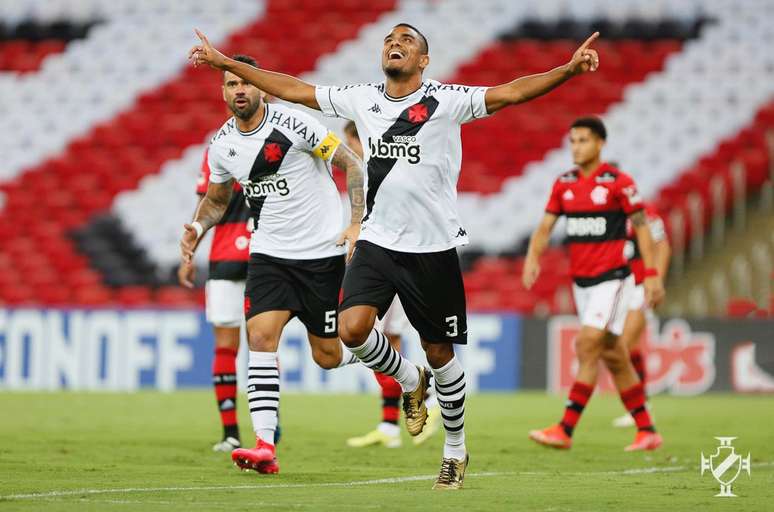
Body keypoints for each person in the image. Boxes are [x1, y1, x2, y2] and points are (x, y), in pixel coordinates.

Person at [189, 24, 600, 490]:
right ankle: (408, 379)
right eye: (388, 40)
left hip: (434, 246)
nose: (395, 44)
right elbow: (294, 88)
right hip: (378, 241)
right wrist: (225, 63)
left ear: (423, 60)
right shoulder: (362, 99)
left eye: (406, 40)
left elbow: (511, 92)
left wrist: (567, 70)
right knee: (352, 328)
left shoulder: (448, 100)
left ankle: (455, 448)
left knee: (441, 352)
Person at [179, 54, 365, 475]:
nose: (239, 90)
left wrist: (354, 223)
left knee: (328, 357)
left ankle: (394, 367)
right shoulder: (223, 144)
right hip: (268, 254)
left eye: (244, 82)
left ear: (260, 87)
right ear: (223, 92)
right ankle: (265, 446)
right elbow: (218, 199)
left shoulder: (296, 124)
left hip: (320, 254)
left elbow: (351, 165)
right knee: (260, 338)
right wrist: (196, 227)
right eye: (230, 84)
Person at [523, 116, 665, 452]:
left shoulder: (618, 182)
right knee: (614, 355)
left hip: (612, 280)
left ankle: (565, 429)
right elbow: (544, 227)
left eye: (583, 140)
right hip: (581, 283)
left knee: (586, 345)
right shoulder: (564, 183)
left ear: (600, 143)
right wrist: (533, 257)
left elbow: (643, 228)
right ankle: (647, 431)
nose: (576, 147)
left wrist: (652, 275)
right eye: (572, 141)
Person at [340, 121, 441, 449]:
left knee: (378, 340)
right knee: (386, 341)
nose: (347, 149)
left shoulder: (382, 173)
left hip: (391, 264)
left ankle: (429, 395)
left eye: (350, 142)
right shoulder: (365, 175)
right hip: (383, 264)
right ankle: (390, 424)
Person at [178, 145, 257, 452]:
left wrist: (189, 253)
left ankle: (236, 432)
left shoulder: (220, 147)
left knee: (249, 345)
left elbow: (205, 201)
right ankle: (246, 428)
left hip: (252, 256)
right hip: (252, 255)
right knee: (260, 344)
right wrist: (189, 253)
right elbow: (207, 202)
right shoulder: (222, 147)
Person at [612, 203, 671, 427]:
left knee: (624, 346)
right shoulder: (605, 214)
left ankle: (639, 407)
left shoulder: (643, 213)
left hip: (639, 287)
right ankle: (640, 406)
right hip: (614, 289)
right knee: (630, 348)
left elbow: (662, 247)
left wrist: (656, 281)